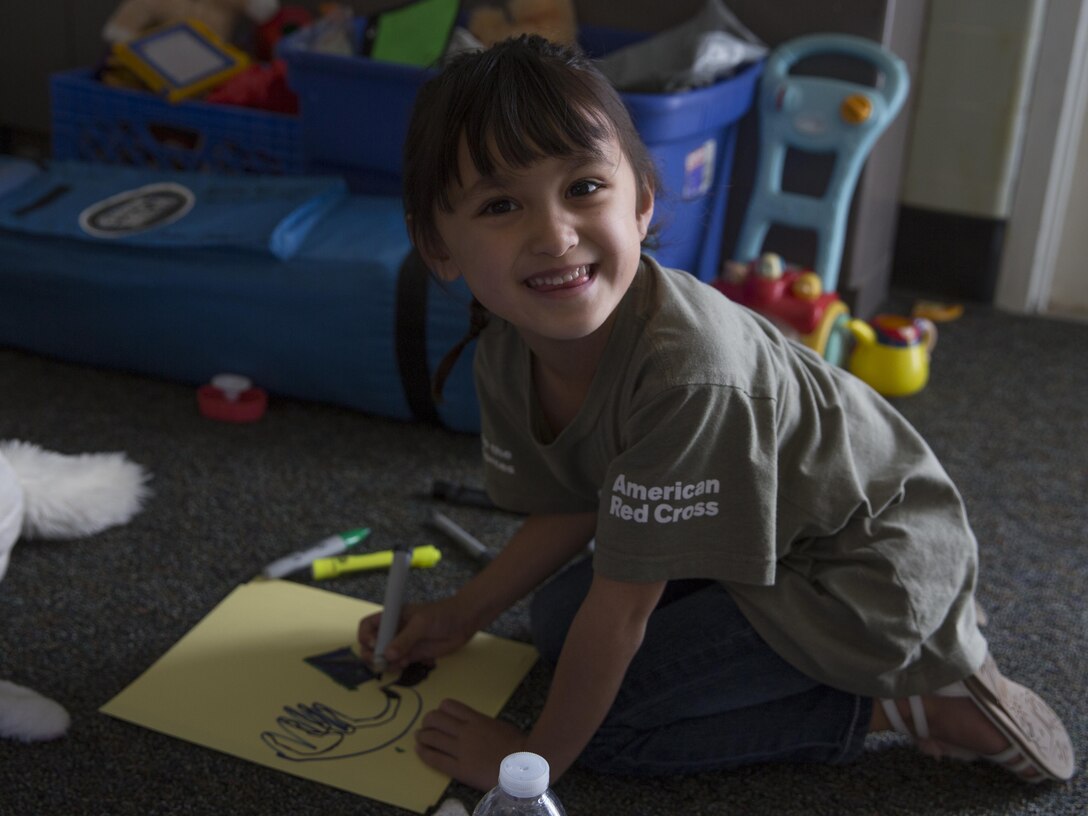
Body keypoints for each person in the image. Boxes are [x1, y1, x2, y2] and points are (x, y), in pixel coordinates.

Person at [356, 35, 1075, 791]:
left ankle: (916, 699)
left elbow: (624, 613)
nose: (554, 235)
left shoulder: (686, 374)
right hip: (772, 526)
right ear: (438, 244)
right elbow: (579, 500)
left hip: (859, 569)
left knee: (618, 729)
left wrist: (530, 763)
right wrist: (462, 613)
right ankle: (913, 645)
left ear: (640, 201)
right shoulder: (508, 348)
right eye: (502, 204)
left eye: (584, 188)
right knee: (559, 624)